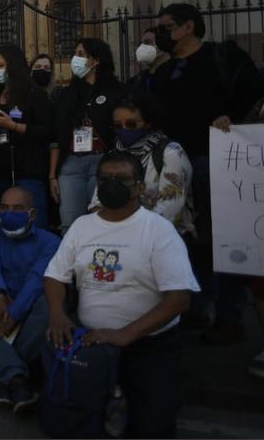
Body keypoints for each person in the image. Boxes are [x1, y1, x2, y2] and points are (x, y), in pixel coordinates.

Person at [44, 150, 200, 438]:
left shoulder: (159, 231)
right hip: (92, 343)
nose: (112, 184)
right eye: (106, 178)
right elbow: (55, 275)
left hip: (148, 347)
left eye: (122, 179)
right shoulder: (82, 226)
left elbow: (179, 298)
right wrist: (57, 312)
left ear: (140, 186)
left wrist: (125, 334)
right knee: (78, 424)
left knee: (153, 428)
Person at [153, 3, 264, 344]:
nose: (161, 33)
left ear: (188, 27)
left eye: (167, 26)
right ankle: (195, 307)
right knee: (186, 236)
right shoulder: (163, 71)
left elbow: (254, 94)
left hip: (217, 159)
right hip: (174, 163)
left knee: (224, 236)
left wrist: (231, 117)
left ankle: (230, 315)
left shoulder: (222, 57)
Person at [0, 187, 60, 412]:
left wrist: (13, 315)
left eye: (18, 208)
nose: (9, 213)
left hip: (28, 303)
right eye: (4, 208)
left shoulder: (51, 242)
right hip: (0, 298)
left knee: (47, 300)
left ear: (32, 214)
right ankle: (18, 380)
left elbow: (36, 281)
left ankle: (9, 377)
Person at [89, 93, 194, 237]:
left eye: (131, 124)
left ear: (148, 122)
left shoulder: (170, 152)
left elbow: (170, 205)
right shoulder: (113, 154)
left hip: (164, 236)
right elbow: (98, 201)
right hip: (119, 235)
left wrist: (133, 233)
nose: (124, 129)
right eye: (118, 125)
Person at [0, 44, 55, 227]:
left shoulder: (34, 94)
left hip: (28, 171)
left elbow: (47, 131)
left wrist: (15, 126)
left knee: (32, 224)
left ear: (13, 65)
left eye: (1, 65)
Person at [50, 39, 125, 233]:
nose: (75, 58)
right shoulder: (66, 94)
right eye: (75, 53)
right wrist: (52, 175)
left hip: (101, 161)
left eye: (81, 54)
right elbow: (56, 137)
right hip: (71, 164)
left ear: (96, 60)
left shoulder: (115, 91)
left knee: (101, 220)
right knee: (69, 224)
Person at [127, 27, 171, 95]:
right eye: (141, 44)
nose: (141, 48)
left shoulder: (174, 77)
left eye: (148, 42)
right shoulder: (135, 83)